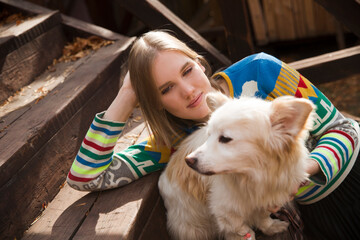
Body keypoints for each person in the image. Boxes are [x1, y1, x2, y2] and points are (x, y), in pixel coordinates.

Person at [66, 30, 360, 240]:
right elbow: (84, 177)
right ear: (154, 102)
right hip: (315, 217)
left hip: (351, 177)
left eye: (187, 70)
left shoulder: (261, 70)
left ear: (199, 61)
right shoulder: (173, 142)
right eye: (165, 89)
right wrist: (128, 95)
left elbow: (344, 128)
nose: (189, 90)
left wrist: (300, 173)